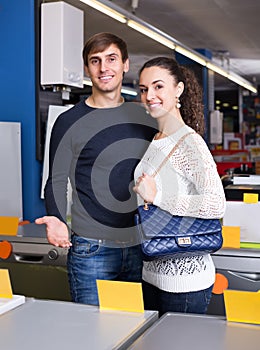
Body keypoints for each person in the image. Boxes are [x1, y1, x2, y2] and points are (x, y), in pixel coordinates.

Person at [35, 32, 156, 305]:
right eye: (95, 61)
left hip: (139, 246)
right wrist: (54, 216)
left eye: (111, 59)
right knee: (91, 336)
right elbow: (55, 180)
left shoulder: (143, 118)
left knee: (134, 334)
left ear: (125, 64)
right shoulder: (68, 121)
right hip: (92, 250)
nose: (104, 68)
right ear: (87, 69)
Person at [133, 57, 226, 316]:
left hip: (185, 282)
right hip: (152, 270)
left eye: (158, 86)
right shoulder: (155, 139)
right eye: (143, 89)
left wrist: (158, 195)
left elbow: (215, 203)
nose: (149, 95)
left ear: (179, 90)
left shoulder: (189, 143)